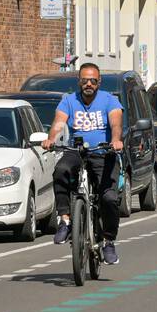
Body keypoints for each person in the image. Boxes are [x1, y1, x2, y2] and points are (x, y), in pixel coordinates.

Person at [42, 63, 125, 264]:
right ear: (79, 81)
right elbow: (59, 123)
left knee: (109, 199)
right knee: (60, 171)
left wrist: (115, 140)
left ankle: (108, 241)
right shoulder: (69, 101)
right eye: (84, 80)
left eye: (93, 81)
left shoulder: (110, 100)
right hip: (77, 152)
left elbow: (116, 123)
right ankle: (66, 220)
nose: (88, 84)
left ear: (99, 82)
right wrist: (51, 138)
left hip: (103, 152)